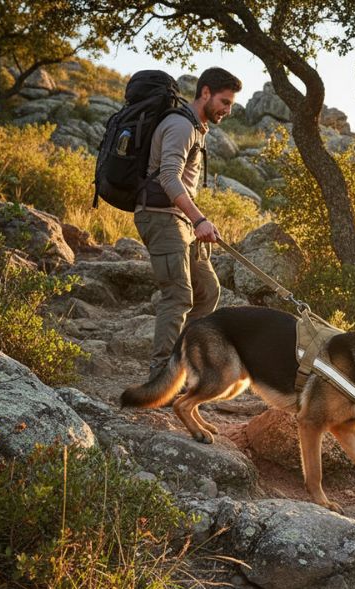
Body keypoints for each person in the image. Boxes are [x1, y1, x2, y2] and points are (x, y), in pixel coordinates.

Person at [135, 67, 242, 379]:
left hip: (181, 222)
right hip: (161, 218)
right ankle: (161, 376)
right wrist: (200, 219)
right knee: (179, 296)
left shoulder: (196, 128)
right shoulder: (181, 126)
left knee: (207, 290)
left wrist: (195, 221)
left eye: (231, 105)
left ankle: (184, 363)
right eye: (224, 101)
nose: (228, 110)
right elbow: (168, 176)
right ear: (205, 93)